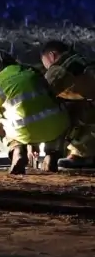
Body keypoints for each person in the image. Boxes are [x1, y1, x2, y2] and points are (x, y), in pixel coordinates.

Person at [0, 50, 70, 175]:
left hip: (24, 130)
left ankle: (16, 149)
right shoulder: (32, 71)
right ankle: (52, 154)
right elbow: (44, 103)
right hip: (56, 126)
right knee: (56, 116)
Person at [40, 40, 95, 169]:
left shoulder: (60, 68)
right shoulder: (81, 61)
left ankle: (81, 154)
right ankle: (86, 153)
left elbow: (42, 99)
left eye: (45, 63)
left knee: (57, 111)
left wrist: (48, 150)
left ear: (52, 55)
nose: (47, 68)